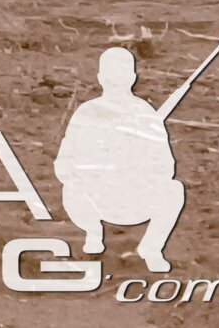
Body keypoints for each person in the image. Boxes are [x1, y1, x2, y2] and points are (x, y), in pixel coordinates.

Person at [55, 44, 189, 274]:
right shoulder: (87, 113)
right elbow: (64, 162)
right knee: (71, 189)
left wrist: (135, 165)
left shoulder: (145, 113)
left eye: (122, 72)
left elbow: (165, 166)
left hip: (134, 197)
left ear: (132, 77)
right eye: (111, 73)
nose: (116, 79)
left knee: (174, 190)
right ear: (100, 78)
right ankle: (93, 232)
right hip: (95, 199)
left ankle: (151, 248)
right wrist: (93, 170)